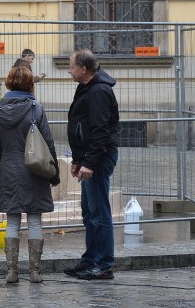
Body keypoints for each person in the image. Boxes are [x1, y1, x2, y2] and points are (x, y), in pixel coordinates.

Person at [0, 66, 59, 284]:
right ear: (30, 83)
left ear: (9, 83)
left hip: (9, 170)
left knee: (12, 222)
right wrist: (53, 174)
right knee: (35, 220)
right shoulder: (36, 109)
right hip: (35, 169)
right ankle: (35, 271)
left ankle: (12, 271)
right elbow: (48, 143)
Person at [64, 48, 120, 280]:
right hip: (89, 158)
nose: (69, 70)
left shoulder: (98, 91)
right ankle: (90, 259)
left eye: (72, 66)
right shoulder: (87, 87)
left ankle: (104, 264)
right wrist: (79, 160)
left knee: (99, 213)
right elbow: (83, 127)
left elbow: (99, 131)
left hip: (98, 158)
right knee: (89, 212)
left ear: (84, 69)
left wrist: (88, 162)